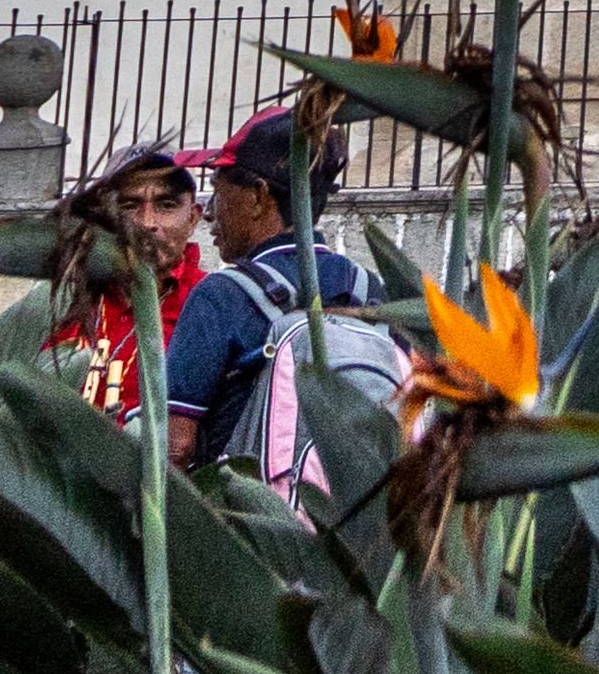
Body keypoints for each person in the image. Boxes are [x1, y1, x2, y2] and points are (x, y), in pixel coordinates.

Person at [160, 104, 391, 479]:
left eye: (218, 191)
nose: (209, 212)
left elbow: (175, 446)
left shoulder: (221, 295)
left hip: (249, 524)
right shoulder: (372, 292)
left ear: (258, 196)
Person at [49, 141, 207, 415]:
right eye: (130, 205)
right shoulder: (63, 297)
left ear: (193, 218)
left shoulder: (210, 302)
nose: (147, 222)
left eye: (166, 205)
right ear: (102, 216)